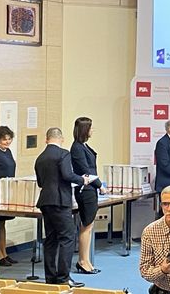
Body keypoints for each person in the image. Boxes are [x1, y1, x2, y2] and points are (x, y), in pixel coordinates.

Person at [35, 127, 87, 288]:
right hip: (60, 201)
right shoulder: (63, 153)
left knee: (50, 240)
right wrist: (82, 180)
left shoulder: (40, 157)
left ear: (46, 139)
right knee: (68, 237)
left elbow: (40, 183)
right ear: (61, 139)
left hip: (45, 201)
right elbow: (67, 175)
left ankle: (50, 278)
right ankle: (64, 278)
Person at [70, 116, 105, 274]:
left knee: (89, 226)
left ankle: (86, 260)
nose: (93, 130)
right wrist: (100, 185)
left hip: (91, 189)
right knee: (86, 225)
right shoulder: (77, 148)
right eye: (91, 128)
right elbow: (86, 170)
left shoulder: (83, 146)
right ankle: (83, 261)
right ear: (85, 130)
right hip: (85, 190)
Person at [0, 126, 17, 266]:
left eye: (9, 139)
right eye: (4, 139)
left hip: (6, 192)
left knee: (2, 224)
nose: (7, 142)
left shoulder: (8, 152)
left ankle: (4, 252)